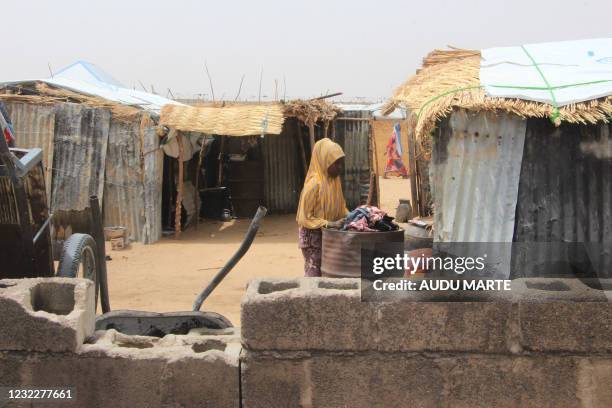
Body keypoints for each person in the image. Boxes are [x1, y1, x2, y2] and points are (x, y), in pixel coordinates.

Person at [296, 138, 348, 277]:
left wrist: (353, 216)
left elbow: (341, 207)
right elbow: (304, 217)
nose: (340, 168)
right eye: (336, 164)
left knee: (328, 273)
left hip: (328, 234)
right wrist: (329, 224)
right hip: (312, 238)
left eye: (341, 164)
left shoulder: (334, 182)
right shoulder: (314, 185)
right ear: (325, 161)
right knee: (314, 273)